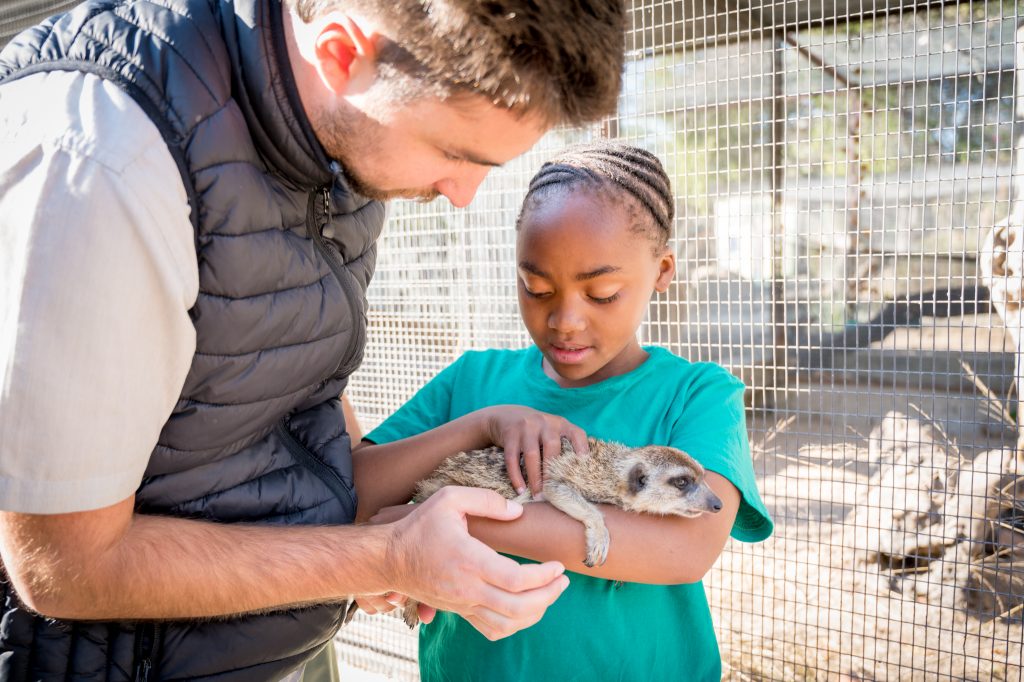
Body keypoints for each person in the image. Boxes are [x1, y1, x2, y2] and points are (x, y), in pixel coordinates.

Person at [0, 0, 628, 679]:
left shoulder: (347, 140)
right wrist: (383, 557)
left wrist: (480, 430)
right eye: (452, 153)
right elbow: (61, 568)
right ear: (339, 52)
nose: (463, 194)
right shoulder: (104, 163)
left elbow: (323, 459)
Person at [352, 141, 775, 682]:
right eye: (537, 288)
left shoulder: (698, 393)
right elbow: (356, 492)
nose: (565, 321)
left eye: (601, 293)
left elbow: (683, 547)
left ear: (663, 270)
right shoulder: (474, 380)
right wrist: (481, 425)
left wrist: (446, 522)